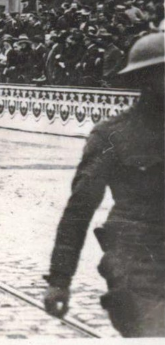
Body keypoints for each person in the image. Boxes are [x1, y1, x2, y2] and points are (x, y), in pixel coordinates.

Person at [44, 32, 164, 337]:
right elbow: (79, 210)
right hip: (137, 261)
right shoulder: (112, 135)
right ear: (145, 79)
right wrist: (60, 279)